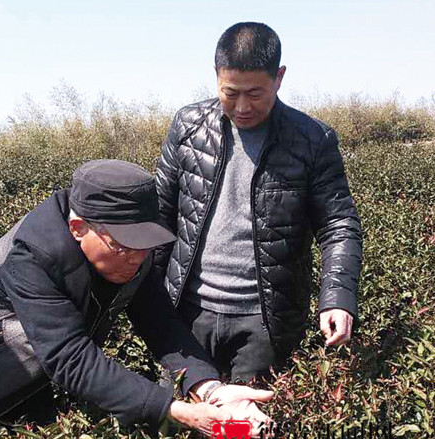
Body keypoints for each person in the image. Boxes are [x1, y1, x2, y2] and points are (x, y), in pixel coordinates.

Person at [0, 159, 273, 439]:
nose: (136, 258)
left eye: (145, 246)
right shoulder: (32, 257)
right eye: (123, 247)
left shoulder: (132, 249)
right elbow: (70, 358)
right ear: (77, 227)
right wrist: (175, 412)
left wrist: (209, 389)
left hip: (31, 362)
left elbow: (161, 325)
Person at [152, 22, 363, 408]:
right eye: (230, 93)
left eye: (255, 93)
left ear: (279, 78)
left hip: (265, 320)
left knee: (244, 436)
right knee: (182, 428)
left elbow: (338, 225)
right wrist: (146, 299)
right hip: (188, 311)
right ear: (216, 78)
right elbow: (160, 214)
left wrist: (338, 297)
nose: (243, 107)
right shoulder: (188, 126)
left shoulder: (312, 139)